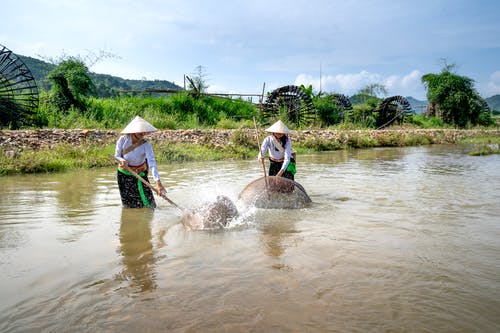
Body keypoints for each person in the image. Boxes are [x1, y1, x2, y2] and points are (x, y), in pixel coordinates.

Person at [114, 116, 166, 208]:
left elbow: (152, 163)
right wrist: (122, 160)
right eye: (140, 131)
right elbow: (117, 155)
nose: (143, 133)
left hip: (140, 173)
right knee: (129, 204)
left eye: (144, 131)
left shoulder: (146, 145)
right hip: (124, 174)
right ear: (133, 131)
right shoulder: (123, 140)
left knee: (151, 204)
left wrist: (158, 183)